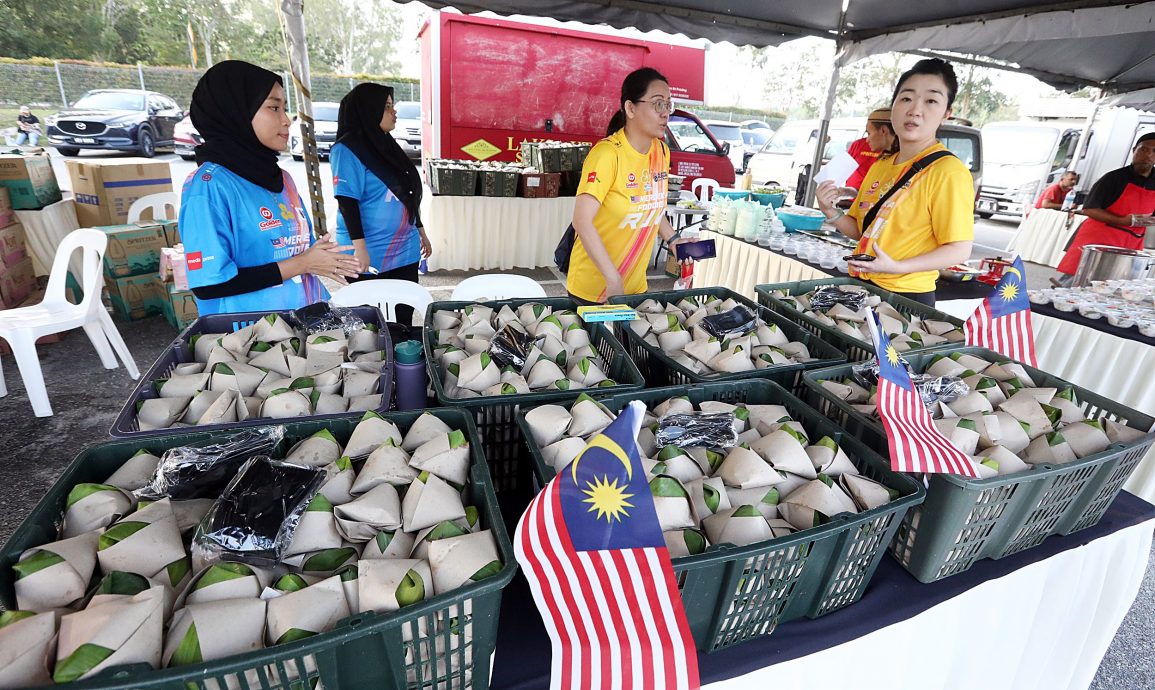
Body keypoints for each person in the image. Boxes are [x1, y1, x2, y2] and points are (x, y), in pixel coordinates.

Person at [180, 60, 360, 316]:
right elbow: (209, 285)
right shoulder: (209, 186)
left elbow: (298, 252)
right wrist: (303, 263)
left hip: (300, 322)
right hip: (248, 338)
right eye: (274, 107)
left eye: (285, 108)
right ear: (236, 111)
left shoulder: (282, 177)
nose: (286, 120)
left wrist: (322, 259)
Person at [815, 58, 974, 307]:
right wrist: (830, 211)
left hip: (905, 297)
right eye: (906, 98)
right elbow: (861, 230)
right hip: (861, 288)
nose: (914, 110)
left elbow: (959, 249)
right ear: (893, 107)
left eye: (931, 101)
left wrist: (896, 267)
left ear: (946, 114)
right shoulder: (882, 164)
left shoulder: (947, 171)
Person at [567, 67, 684, 304]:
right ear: (631, 108)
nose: (665, 114)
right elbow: (581, 220)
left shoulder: (661, 152)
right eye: (658, 104)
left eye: (668, 105)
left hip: (634, 286)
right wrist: (612, 278)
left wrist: (673, 240)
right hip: (596, 289)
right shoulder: (607, 154)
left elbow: (650, 206)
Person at [331, 83, 431, 326]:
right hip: (369, 249)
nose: (394, 111)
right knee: (369, 324)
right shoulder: (347, 149)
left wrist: (421, 231)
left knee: (402, 317)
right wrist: (360, 248)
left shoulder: (388, 146)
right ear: (368, 110)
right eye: (386, 107)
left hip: (404, 249)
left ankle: (404, 361)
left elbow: (407, 193)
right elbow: (347, 201)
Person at [1055, 134, 1155, 282]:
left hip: (1131, 242)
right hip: (1100, 238)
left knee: (1113, 287)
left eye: (1154, 151)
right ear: (1134, 150)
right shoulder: (1113, 178)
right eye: (1144, 149)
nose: (1148, 155)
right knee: (1077, 283)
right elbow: (1089, 209)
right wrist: (1123, 220)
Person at [844, 107, 899, 193]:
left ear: (883, 130)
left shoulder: (900, 162)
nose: (867, 140)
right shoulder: (881, 161)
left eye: (869, 133)